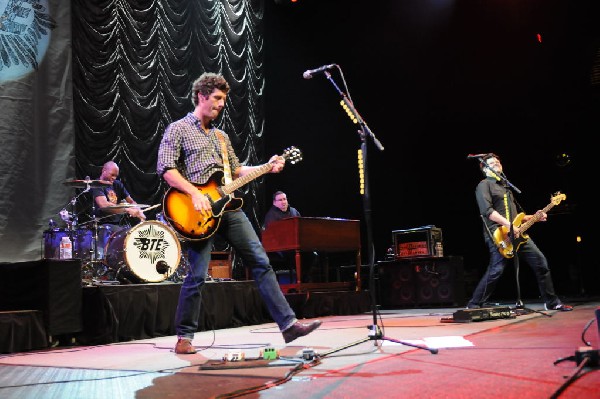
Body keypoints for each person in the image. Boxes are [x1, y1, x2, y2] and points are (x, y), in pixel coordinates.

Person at [157, 72, 321, 354]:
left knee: (260, 260)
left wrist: (266, 166)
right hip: (197, 213)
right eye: (218, 98)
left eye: (224, 99)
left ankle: (288, 325)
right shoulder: (178, 129)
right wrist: (195, 194)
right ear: (202, 96)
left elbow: (235, 171)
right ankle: (185, 337)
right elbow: (166, 169)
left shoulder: (221, 136)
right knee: (196, 276)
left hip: (229, 209)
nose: (222, 104)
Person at [465, 153, 572, 311]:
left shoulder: (507, 188)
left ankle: (552, 302)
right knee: (496, 270)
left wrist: (535, 216)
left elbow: (517, 217)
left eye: (497, 162)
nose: (496, 164)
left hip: (517, 233)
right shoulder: (484, 185)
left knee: (541, 263)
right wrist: (509, 225)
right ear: (485, 170)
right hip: (498, 234)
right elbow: (488, 212)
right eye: (491, 163)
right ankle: (473, 305)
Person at [88, 161, 146, 260]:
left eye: (116, 176)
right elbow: (104, 205)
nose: (114, 178)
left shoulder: (117, 184)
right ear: (104, 170)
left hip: (117, 225)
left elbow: (131, 201)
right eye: (112, 175)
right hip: (103, 225)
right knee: (126, 237)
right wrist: (127, 209)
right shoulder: (96, 185)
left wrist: (137, 210)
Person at [263, 190, 320, 282]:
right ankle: (299, 281)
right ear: (274, 203)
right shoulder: (271, 215)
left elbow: (301, 227)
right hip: (280, 247)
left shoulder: (294, 211)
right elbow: (272, 236)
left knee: (313, 254)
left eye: (284, 199)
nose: (283, 202)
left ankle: (304, 280)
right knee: (296, 255)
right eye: (280, 200)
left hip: (296, 244)